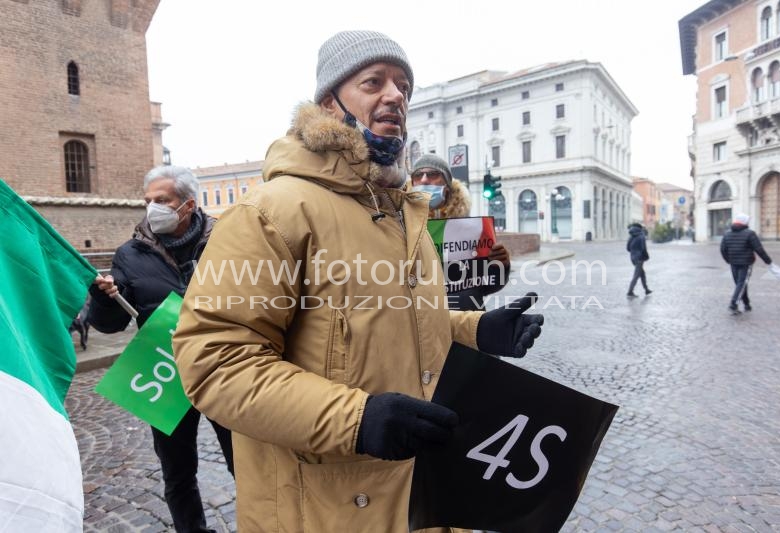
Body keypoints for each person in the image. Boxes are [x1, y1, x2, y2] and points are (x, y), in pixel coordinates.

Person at [172, 30, 545, 532]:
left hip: (423, 495)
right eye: (374, 82)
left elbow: (403, 322)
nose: (396, 96)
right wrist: (357, 418)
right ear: (330, 104)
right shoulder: (271, 211)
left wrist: (478, 330)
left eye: (405, 86)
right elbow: (215, 361)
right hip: (328, 511)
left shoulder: (405, 213)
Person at [87, 165, 234, 533]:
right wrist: (101, 297)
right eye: (148, 201)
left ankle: (262, 521)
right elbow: (109, 325)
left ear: (187, 204)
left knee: (245, 460)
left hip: (225, 367)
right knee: (178, 472)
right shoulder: (129, 254)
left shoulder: (229, 239)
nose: (153, 208)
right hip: (165, 371)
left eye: (162, 200)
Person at [410, 153, 511, 311]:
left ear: (447, 186)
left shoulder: (472, 229)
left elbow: (486, 285)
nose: (424, 180)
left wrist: (500, 264)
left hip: (467, 322)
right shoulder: (401, 226)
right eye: (418, 175)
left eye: (433, 174)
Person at [720, 213, 772, 314]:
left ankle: (746, 304)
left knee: (740, 284)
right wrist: (768, 261)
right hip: (746, 263)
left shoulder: (727, 233)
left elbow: (723, 249)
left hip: (733, 263)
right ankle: (733, 304)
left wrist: (728, 260)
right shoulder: (750, 233)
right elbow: (759, 249)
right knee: (742, 283)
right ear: (745, 222)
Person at [626, 222, 652, 297]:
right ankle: (630, 291)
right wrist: (645, 256)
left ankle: (646, 289)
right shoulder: (641, 235)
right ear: (640, 228)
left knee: (642, 274)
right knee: (636, 275)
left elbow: (628, 248)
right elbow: (643, 248)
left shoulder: (631, 236)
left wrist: (633, 252)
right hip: (639, 258)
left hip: (633, 258)